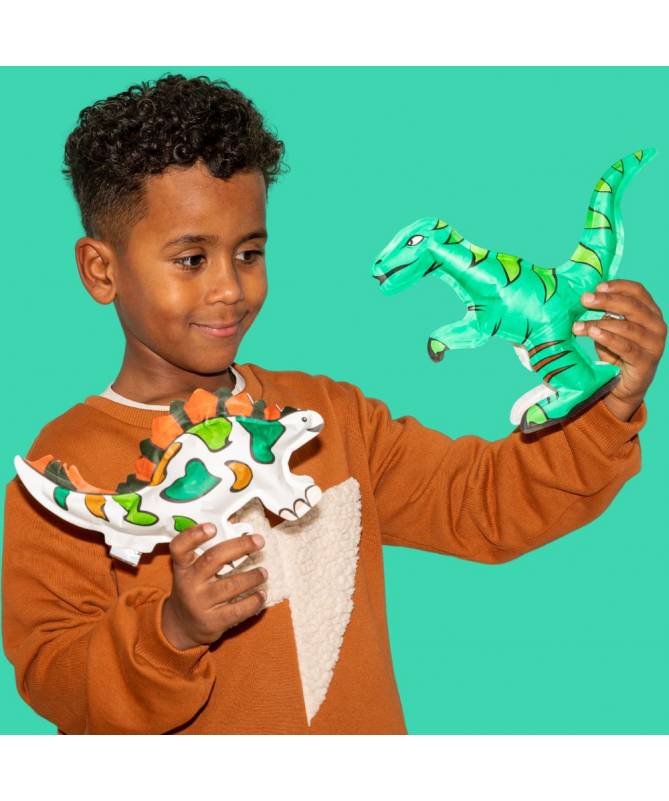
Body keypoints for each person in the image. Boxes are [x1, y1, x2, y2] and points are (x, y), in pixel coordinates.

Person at [2, 73, 666, 735]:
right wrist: (171, 631)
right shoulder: (65, 464)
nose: (231, 288)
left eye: (249, 252)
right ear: (101, 270)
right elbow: (55, 676)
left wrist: (609, 404)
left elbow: (483, 501)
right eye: (191, 259)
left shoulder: (330, 417)